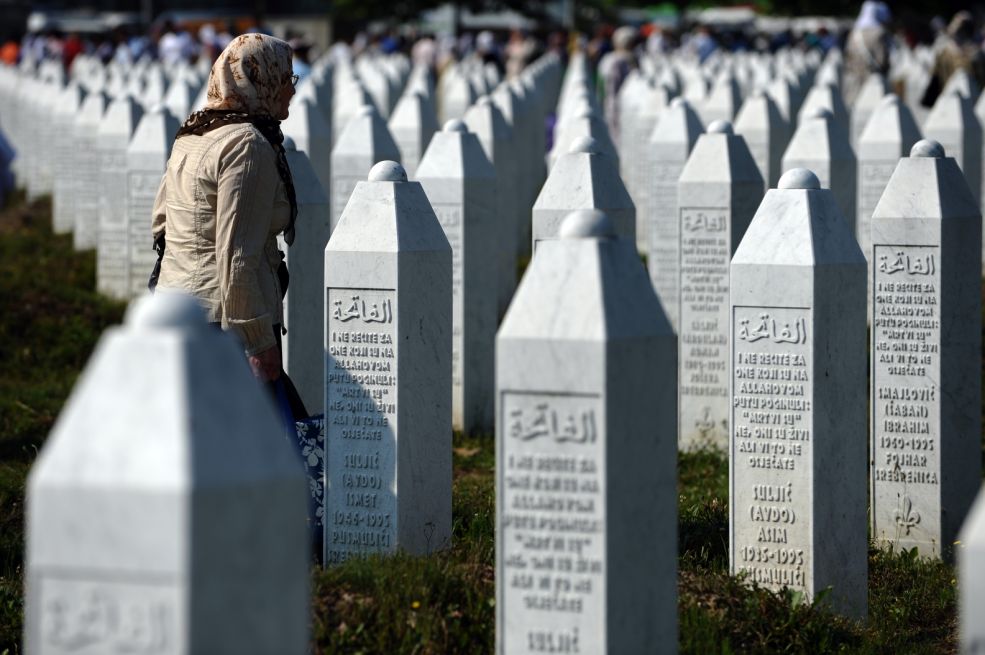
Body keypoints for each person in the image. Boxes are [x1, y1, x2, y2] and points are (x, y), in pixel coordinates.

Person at [150, 33, 307, 418]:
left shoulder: (194, 133)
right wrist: (258, 343)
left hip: (177, 309)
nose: (291, 90)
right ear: (260, 78)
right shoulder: (246, 145)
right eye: (287, 78)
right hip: (226, 324)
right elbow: (237, 255)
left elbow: (160, 223)